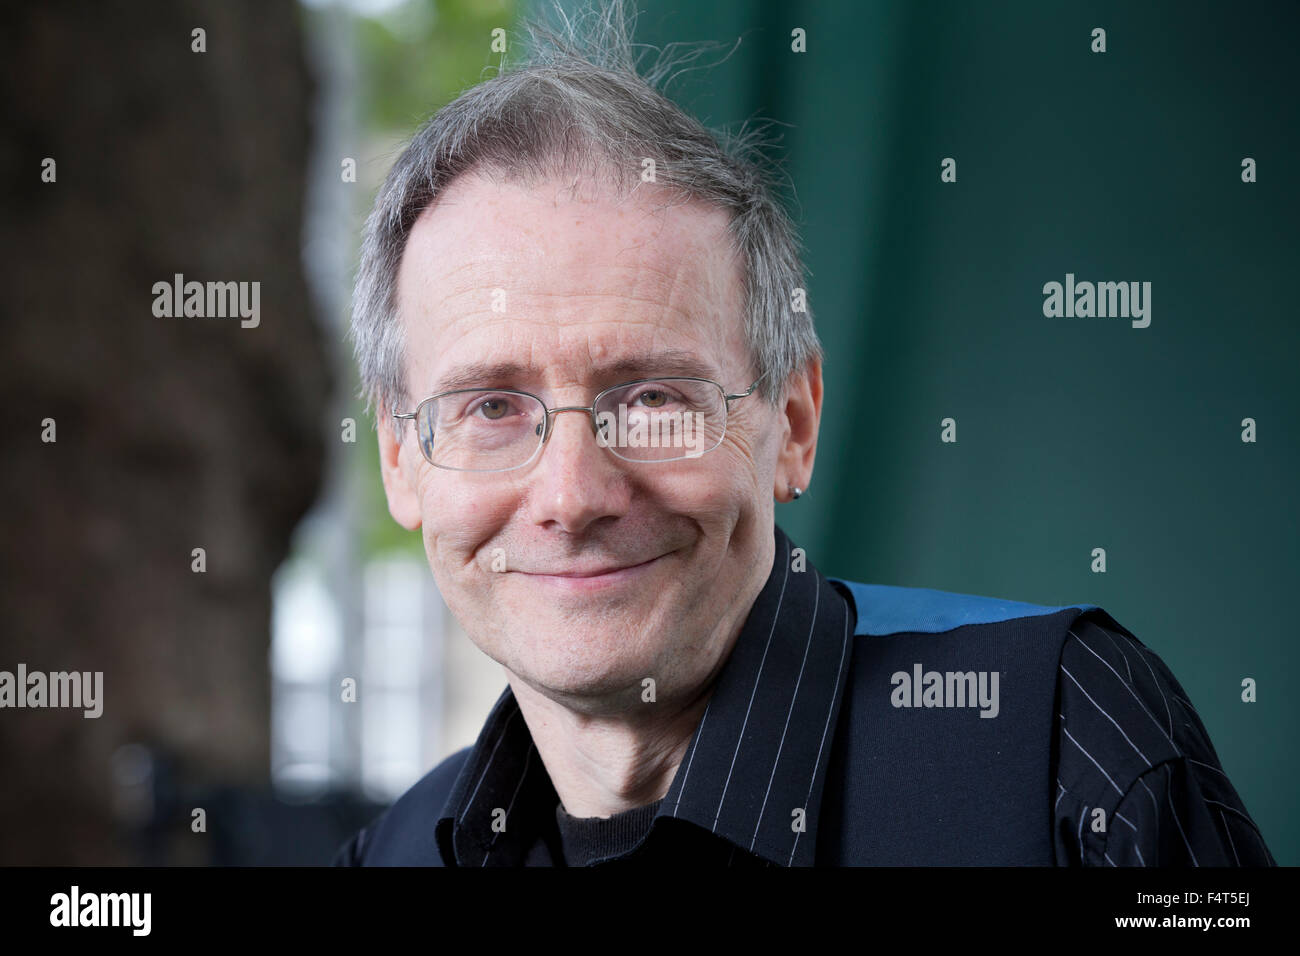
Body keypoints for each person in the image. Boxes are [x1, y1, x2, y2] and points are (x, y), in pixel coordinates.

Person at [332, 0, 1274, 867]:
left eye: (654, 399)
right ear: (401, 461)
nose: (573, 496)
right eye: (491, 407)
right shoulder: (387, 858)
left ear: (791, 423)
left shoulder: (1066, 748)